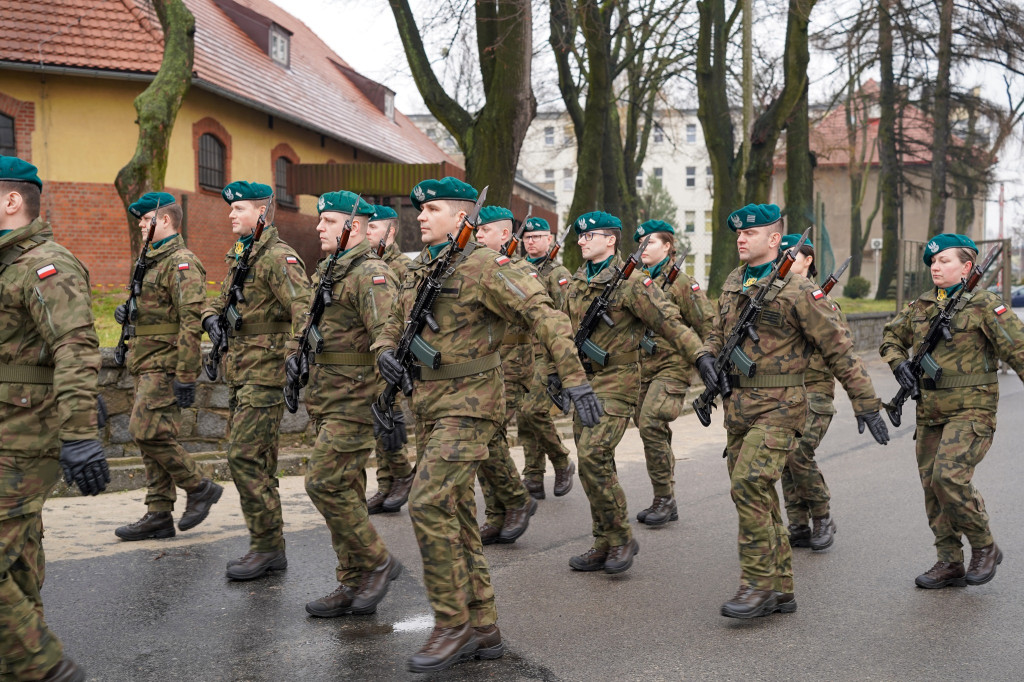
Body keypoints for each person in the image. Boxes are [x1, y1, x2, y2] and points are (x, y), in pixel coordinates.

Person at [372, 177, 600, 673]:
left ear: (461, 217)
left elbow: (545, 315)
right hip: (430, 403)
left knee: (427, 501)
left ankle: (451, 624)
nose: (422, 217)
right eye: (420, 210)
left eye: (432, 209)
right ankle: (483, 627)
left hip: (472, 403)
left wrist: (575, 379)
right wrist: (384, 351)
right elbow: (395, 320)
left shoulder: (486, 267)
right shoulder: (424, 268)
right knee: (452, 511)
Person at [696, 203, 889, 619]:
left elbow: (840, 349)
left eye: (752, 233)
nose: (742, 239)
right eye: (738, 234)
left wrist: (866, 403)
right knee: (760, 495)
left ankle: (757, 586)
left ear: (774, 239)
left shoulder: (799, 291)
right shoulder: (734, 282)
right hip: (739, 407)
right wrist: (706, 357)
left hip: (782, 406)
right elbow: (716, 333)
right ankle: (782, 589)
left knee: (747, 485)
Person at [0, 155, 108, 682]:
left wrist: (81, 434)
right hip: (6, 433)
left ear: (11, 200)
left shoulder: (46, 264)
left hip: (25, 437)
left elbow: (76, 348)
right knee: (16, 564)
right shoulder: (5, 264)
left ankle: (45, 669)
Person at [563, 211, 704, 574]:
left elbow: (669, 322)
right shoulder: (578, 283)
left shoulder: (632, 284)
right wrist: (555, 375)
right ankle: (603, 541)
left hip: (619, 380)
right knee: (595, 462)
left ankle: (622, 537)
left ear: (611, 240)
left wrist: (701, 356)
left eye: (589, 235)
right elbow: (563, 333)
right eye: (580, 236)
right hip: (585, 382)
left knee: (594, 454)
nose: (581, 241)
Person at [880, 233, 1024, 589]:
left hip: (972, 409)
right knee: (932, 485)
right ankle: (949, 561)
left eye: (944, 260)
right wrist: (898, 363)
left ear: (967, 267)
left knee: (949, 476)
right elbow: (890, 336)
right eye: (932, 261)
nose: (936, 267)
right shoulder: (921, 305)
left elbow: (1019, 350)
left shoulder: (984, 305)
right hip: (929, 412)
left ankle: (984, 545)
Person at [292, 191, 403, 618]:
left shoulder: (370, 273)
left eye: (328, 221)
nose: (319, 227)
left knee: (322, 482)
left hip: (355, 398)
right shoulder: (330, 271)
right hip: (327, 395)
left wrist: (388, 391)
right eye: (320, 220)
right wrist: (293, 358)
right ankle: (353, 582)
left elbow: (387, 329)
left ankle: (377, 561)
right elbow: (308, 324)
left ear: (353, 227)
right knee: (348, 491)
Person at [201, 181, 311, 581]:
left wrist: (296, 354)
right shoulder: (243, 254)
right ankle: (268, 547)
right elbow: (224, 298)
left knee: (243, 456)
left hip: (265, 372)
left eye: (240, 209)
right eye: (231, 209)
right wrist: (210, 316)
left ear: (262, 214)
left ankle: (266, 546)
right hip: (241, 371)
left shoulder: (278, 258)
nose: (231, 214)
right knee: (257, 459)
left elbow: (305, 306)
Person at [113, 192, 223, 541]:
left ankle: (200, 485)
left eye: (146, 219)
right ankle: (159, 512)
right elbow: (154, 309)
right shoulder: (150, 261)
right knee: (153, 437)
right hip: (145, 361)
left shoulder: (181, 262)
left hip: (164, 363)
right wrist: (127, 312)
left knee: (145, 431)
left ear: (164, 220)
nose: (141, 225)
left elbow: (191, 321)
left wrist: (186, 374)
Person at [631, 220, 714, 526]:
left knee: (652, 422)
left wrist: (708, 362)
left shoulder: (681, 283)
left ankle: (664, 498)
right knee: (647, 427)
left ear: (667, 246)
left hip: (673, 365)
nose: (643, 249)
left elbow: (707, 324)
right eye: (639, 244)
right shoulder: (633, 281)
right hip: (641, 367)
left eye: (649, 243)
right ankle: (666, 497)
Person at [471, 205, 538, 545]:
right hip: (484, 366)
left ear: (505, 236)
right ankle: (497, 514)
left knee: (489, 436)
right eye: (476, 230)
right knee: (482, 440)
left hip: (514, 368)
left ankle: (516, 500)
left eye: (485, 230)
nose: (478, 235)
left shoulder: (520, 271)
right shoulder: (471, 269)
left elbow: (543, 315)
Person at [776, 233, 841, 551]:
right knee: (785, 457)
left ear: (808, 260)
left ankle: (822, 516)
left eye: (791, 255)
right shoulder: (773, 299)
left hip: (815, 391)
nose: (783, 261)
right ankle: (798, 524)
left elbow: (839, 347)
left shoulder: (821, 301)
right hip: (782, 393)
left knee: (798, 453)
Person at [517, 216, 575, 500]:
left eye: (537, 237)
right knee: (523, 415)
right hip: (520, 352)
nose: (531, 241)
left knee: (533, 411)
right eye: (527, 237)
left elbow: (566, 318)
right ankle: (533, 476)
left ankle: (561, 458)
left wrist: (558, 366)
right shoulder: (517, 268)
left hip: (545, 352)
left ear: (550, 240)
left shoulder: (558, 273)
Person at [363, 204, 415, 514]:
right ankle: (386, 485)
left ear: (390, 232)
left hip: (391, 355)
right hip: (371, 354)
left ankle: (403, 475)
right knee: (378, 422)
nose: (367, 232)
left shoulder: (400, 268)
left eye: (373, 227)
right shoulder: (368, 262)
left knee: (388, 419)